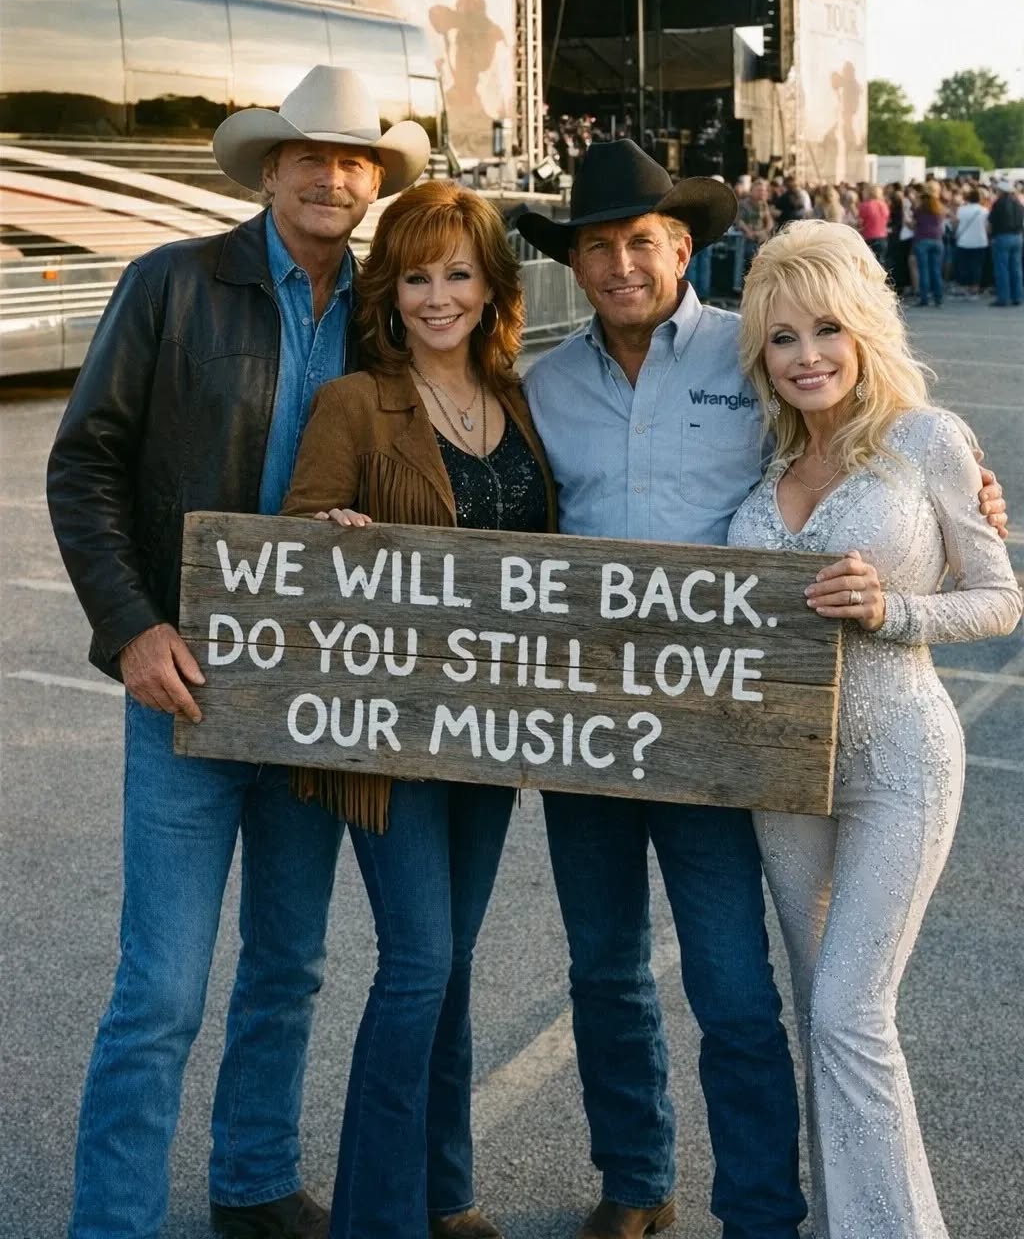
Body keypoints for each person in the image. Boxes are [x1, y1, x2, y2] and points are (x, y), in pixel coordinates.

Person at [513, 140, 1009, 1239]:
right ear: (573, 264)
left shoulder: (752, 356)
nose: (621, 264)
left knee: (755, 996)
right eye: (597, 247)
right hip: (598, 725)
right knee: (609, 973)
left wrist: (963, 495)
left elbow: (873, 432)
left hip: (739, 732)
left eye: (643, 241)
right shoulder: (545, 387)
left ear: (682, 247)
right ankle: (637, 1183)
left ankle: (764, 1217)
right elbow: (501, 516)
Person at [46, 66, 431, 1239]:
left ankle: (254, 1182)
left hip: (312, 690)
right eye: (309, 157)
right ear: (270, 170)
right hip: (184, 683)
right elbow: (86, 464)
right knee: (161, 987)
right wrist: (130, 626)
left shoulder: (387, 313)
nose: (331, 178)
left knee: (288, 963)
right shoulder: (173, 283)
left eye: (354, 161)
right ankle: (113, 1221)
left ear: (373, 182)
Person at [728, 221, 1022, 1238]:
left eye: (826, 330)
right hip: (785, 772)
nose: (806, 355)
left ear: (864, 330)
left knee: (853, 1013)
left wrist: (892, 610)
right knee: (822, 1010)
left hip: (900, 757)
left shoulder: (926, 438)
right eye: (781, 337)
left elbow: (1000, 599)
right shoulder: (764, 452)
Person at [282, 182, 557, 1239]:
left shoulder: (516, 399)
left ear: (490, 288)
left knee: (453, 968)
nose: (437, 296)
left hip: (489, 732)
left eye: (457, 274)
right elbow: (292, 545)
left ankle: (447, 1194)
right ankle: (377, 1216)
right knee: (417, 966)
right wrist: (330, 533)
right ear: (388, 294)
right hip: (387, 733)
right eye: (415, 277)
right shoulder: (355, 401)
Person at [988, 178, 1024, 306]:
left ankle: (1003, 298)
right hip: (1017, 237)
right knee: (1016, 269)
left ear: (1001, 191)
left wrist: (991, 236)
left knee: (1002, 269)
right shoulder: (1018, 204)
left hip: (1002, 237)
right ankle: (1017, 297)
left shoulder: (998, 204)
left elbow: (991, 221)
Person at [912, 179, 946, 306]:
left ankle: (924, 298)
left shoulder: (921, 206)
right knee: (936, 270)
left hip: (922, 239)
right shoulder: (940, 206)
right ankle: (938, 298)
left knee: (923, 270)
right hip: (937, 239)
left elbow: (915, 222)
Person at [952, 183, 989, 295]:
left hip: (963, 241)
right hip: (980, 241)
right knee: (977, 265)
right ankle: (975, 286)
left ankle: (965, 286)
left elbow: (955, 224)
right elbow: (987, 227)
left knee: (964, 265)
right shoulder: (984, 210)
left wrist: (955, 233)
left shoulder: (961, 209)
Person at [856, 181, 890, 268]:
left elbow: (860, 223)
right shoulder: (884, 205)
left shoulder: (865, 205)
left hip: (869, 237)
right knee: (881, 265)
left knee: (869, 265)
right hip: (883, 237)